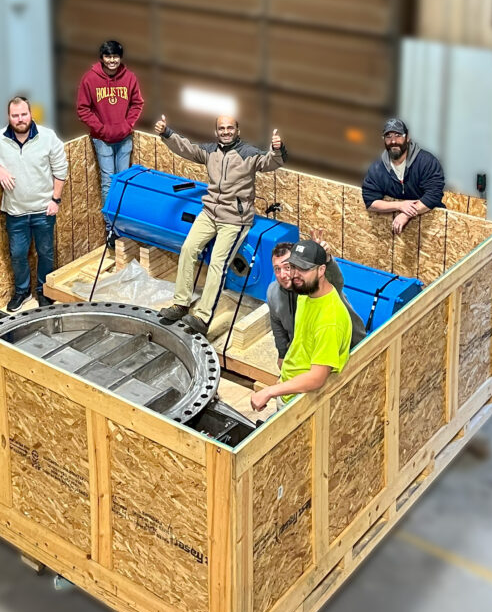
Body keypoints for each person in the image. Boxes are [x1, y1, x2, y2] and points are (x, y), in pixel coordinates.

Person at [155, 114, 288, 335]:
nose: (225, 132)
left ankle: (203, 317)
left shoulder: (249, 154)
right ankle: (180, 304)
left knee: (218, 262)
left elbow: (270, 162)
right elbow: (186, 149)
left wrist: (277, 149)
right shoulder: (210, 152)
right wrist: (167, 134)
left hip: (234, 219)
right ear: (216, 132)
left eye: (230, 128)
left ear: (238, 130)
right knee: (188, 249)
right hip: (209, 214)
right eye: (221, 128)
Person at [0, 96, 68, 312]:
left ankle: (43, 290)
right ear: (9, 117)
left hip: (44, 210)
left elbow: (61, 170)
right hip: (15, 212)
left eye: (23, 114)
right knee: (18, 254)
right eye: (15, 115)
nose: (20, 119)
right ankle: (22, 292)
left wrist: (55, 200)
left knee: (46, 253)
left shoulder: (48, 137)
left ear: (31, 114)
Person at [251, 239, 352, 412]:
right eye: (294, 267)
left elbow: (317, 378)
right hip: (289, 385)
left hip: (302, 400)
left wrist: (270, 391)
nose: (295, 274)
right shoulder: (306, 293)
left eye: (304, 269)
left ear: (321, 270)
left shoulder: (330, 320)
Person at [268, 230, 366, 370]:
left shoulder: (312, 287)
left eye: (288, 267)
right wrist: (282, 354)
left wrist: (324, 259)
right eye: (277, 269)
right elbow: (277, 326)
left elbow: (336, 281)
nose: (283, 274)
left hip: (350, 347)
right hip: (309, 351)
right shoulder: (273, 293)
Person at [76, 40, 144, 206]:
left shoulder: (130, 78)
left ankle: (121, 222)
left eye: (115, 57)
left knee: (123, 181)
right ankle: (110, 226)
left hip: (124, 138)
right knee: (108, 182)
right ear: (102, 58)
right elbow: (82, 109)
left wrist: (126, 126)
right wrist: (101, 129)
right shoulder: (90, 79)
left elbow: (137, 103)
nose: (112, 60)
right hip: (102, 140)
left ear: (120, 58)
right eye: (108, 56)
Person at [361, 118, 446, 235]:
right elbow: (370, 201)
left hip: (432, 230)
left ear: (407, 137)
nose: (393, 141)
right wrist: (400, 205)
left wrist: (406, 214)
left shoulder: (427, 162)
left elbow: (433, 196)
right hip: (394, 238)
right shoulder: (377, 168)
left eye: (398, 135)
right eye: (388, 136)